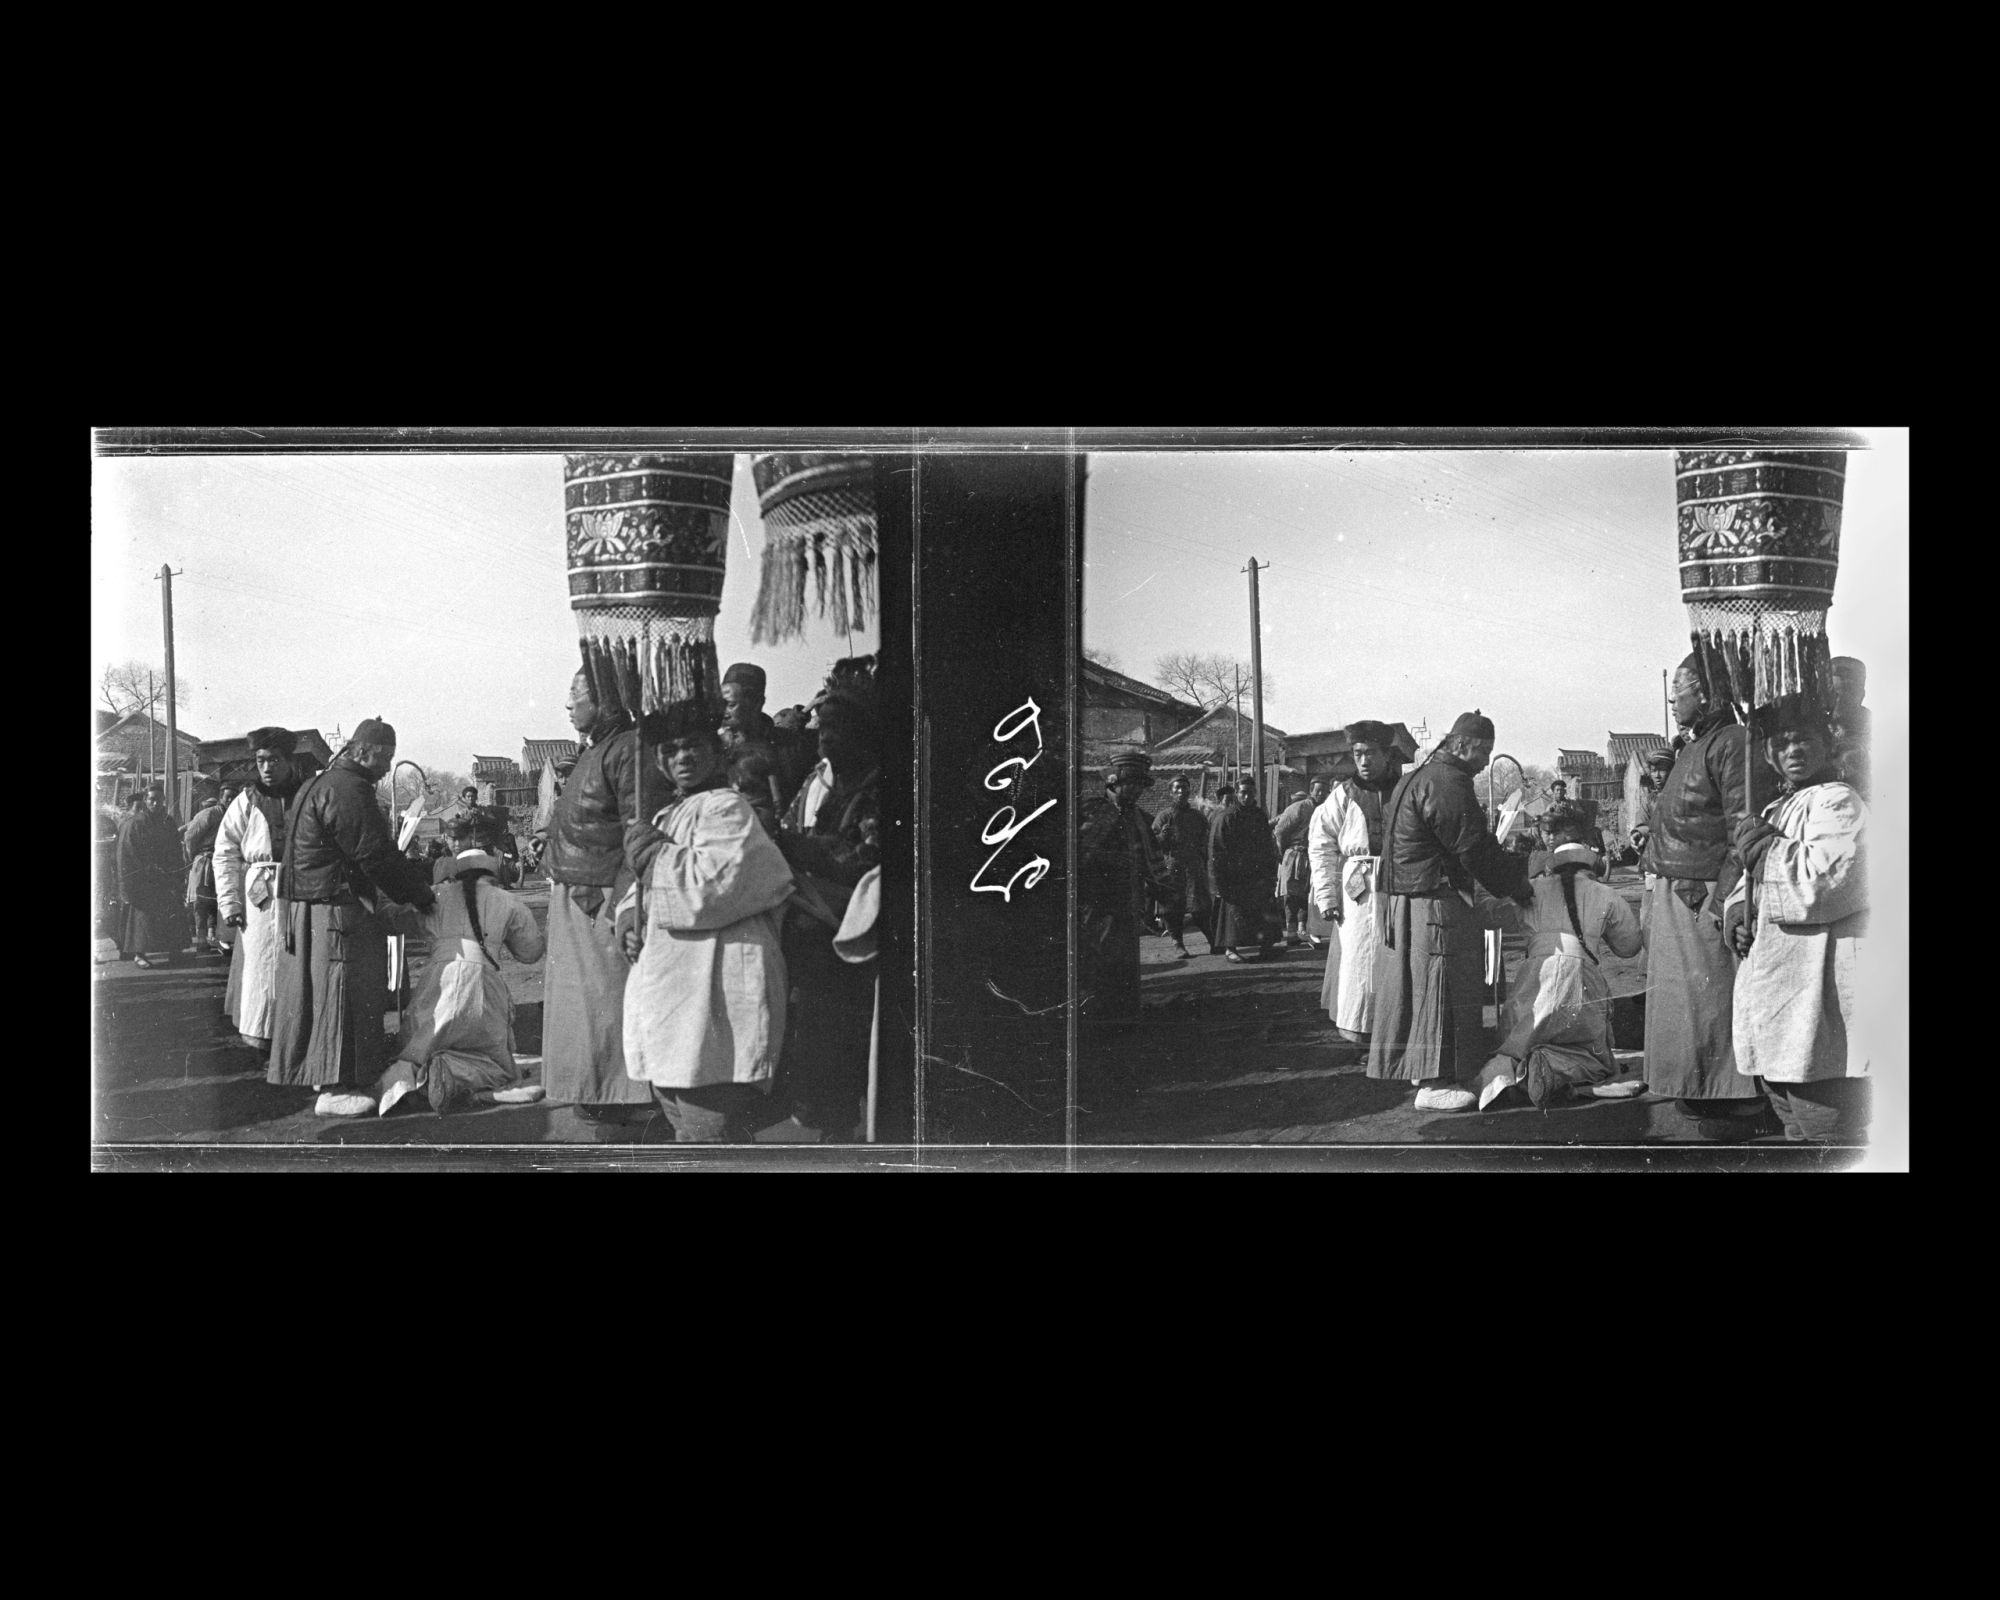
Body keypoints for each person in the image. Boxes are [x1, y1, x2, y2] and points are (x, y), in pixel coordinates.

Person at [616, 704, 796, 1141]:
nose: (683, 757)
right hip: (671, 990)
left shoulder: (727, 808)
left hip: (715, 986)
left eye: (693, 745)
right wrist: (628, 921)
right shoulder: (664, 817)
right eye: (671, 750)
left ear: (716, 751)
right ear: (659, 761)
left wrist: (655, 855)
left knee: (711, 1123)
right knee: (680, 1112)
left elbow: (713, 886)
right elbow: (640, 892)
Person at [267, 718, 439, 1117]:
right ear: (362, 752)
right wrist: (421, 896)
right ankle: (335, 1088)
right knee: (340, 994)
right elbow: (374, 855)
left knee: (321, 996)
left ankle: (328, 1077)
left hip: (308, 905)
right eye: (385, 758)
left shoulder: (320, 783)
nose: (387, 767)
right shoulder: (349, 789)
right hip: (333, 909)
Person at [1368, 710, 1534, 1112]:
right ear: (1460, 745)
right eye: (1483, 752)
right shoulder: (1448, 782)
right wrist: (1519, 888)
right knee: (1440, 988)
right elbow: (1475, 850)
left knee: (1420, 990)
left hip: (1405, 900)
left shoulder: (1416, 777)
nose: (1484, 762)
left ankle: (1424, 1071)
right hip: (1433, 902)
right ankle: (1434, 1083)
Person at [1723, 696, 1871, 1143]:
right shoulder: (1773, 810)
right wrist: (1738, 912)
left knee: (1825, 1120)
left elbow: (1826, 880)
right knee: (1790, 1114)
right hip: (1777, 980)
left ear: (1826, 745)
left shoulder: (1838, 801)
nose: (1794, 751)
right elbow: (1748, 884)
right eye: (1782, 743)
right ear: (1769, 755)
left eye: (1804, 740)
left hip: (1817, 980)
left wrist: (1767, 849)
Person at [1641, 654, 1762, 1138]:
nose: (1673, 702)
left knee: (1711, 1000)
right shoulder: (1695, 744)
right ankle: (1699, 1088)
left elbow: (1743, 828)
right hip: (1677, 889)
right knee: (1685, 1004)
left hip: (1704, 892)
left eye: (1679, 693)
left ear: (1708, 695)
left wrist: (1724, 898)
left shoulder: (1732, 742)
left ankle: (1734, 1097)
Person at [542, 668, 667, 1123]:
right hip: (577, 893)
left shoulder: (629, 749)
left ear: (608, 701)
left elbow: (642, 831)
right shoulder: (597, 749)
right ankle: (597, 1091)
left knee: (607, 1001)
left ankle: (623, 1097)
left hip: (600, 898)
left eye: (577, 694)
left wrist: (622, 903)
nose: (569, 704)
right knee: (583, 1007)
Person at [1469, 803, 1646, 1109]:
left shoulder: (1532, 889)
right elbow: (1629, 948)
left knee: (1514, 1046)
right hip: (1581, 983)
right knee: (1592, 1057)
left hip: (1535, 978)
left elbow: (1488, 913)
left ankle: (1510, 1074)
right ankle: (1552, 1066)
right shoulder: (1606, 894)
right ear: (1590, 862)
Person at [372, 808, 547, 1115]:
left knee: (414, 1052)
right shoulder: (508, 901)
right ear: (491, 872)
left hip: (438, 982)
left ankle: (416, 1077)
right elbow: (531, 953)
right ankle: (452, 1072)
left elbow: (392, 918)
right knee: (495, 1064)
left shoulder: (435, 896)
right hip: (484, 988)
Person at [773, 660, 882, 1139]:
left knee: (848, 1033)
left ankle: (844, 1125)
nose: (825, 736)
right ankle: (824, 1116)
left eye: (838, 728)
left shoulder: (878, 787)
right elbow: (788, 828)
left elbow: (867, 860)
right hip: (810, 927)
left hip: (856, 933)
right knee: (814, 1029)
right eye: (822, 727)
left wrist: (801, 848)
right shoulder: (815, 782)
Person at [1309, 721, 1404, 1043]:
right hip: (1358, 889)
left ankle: (1393, 1028)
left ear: (1386, 754)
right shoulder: (1342, 795)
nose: (1364, 761)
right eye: (1358, 754)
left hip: (1398, 882)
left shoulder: (1404, 791)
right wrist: (1326, 897)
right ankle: (1357, 1029)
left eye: (1371, 753)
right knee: (1359, 955)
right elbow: (1320, 844)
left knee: (1394, 953)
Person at [215, 728, 302, 1050]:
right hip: (260, 896)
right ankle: (258, 1033)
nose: (266, 767)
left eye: (274, 760)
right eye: (260, 760)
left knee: (295, 959)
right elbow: (225, 852)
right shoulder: (245, 802)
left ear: (289, 761)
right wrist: (230, 903)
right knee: (260, 962)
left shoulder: (306, 796)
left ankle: (294, 1033)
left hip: (300, 888)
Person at [1078, 751, 1168, 1027]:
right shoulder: (1094, 811)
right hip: (1098, 902)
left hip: (1127, 901)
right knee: (1100, 956)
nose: (1138, 790)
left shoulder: (1138, 816)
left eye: (1141, 785)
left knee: (1125, 957)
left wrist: (1163, 890)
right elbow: (1081, 857)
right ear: (1114, 783)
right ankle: (1098, 1017)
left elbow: (1151, 858)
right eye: (1132, 784)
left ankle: (1124, 1014)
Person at [719, 661, 818, 813]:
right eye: (721, 704)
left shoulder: (792, 746)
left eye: (731, 705)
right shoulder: (715, 749)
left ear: (758, 702)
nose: (724, 712)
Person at [117, 783, 187, 968]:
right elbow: (128, 852)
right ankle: (138, 954)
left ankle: (175, 951)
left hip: (166, 876)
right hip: (144, 878)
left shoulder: (168, 822)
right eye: (152, 799)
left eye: (159, 799)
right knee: (142, 918)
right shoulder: (135, 823)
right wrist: (146, 871)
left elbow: (175, 850)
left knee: (172, 913)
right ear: (145, 801)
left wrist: (178, 873)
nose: (156, 803)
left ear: (164, 800)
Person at [1209, 781, 1280, 962]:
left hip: (1257, 873)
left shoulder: (1259, 815)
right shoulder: (1226, 817)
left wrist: (1270, 872)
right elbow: (1217, 850)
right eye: (1243, 793)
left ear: (1255, 793)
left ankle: (1266, 946)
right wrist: (1219, 881)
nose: (1246, 797)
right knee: (1233, 912)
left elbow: (1267, 845)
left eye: (1250, 793)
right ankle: (1229, 949)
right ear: (1236, 794)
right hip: (1234, 875)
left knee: (1263, 910)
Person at [1151, 775, 1214, 959]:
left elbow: (1206, 841)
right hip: (1172, 867)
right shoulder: (1164, 817)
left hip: (1194, 867)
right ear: (1171, 792)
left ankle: (1213, 941)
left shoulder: (1198, 816)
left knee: (1201, 906)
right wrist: (1162, 836)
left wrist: (1203, 859)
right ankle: (1178, 944)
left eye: (1184, 787)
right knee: (1172, 908)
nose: (1181, 791)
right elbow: (1152, 844)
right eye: (1177, 788)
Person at [1271, 782, 1323, 946]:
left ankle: (1302, 930)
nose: (1321, 794)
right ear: (1311, 791)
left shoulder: (1324, 809)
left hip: (1313, 856)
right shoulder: (1299, 807)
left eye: (1325, 791)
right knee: (1291, 895)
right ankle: (1291, 933)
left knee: (1307, 895)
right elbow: (1280, 831)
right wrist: (1282, 852)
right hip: (1294, 855)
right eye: (1318, 791)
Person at [182, 784, 228, 955]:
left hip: (223, 862)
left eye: (233, 797)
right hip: (204, 861)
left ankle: (212, 935)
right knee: (200, 901)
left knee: (218, 900)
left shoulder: (233, 814)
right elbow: (190, 837)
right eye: (227, 797)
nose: (230, 800)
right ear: (221, 798)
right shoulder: (208, 814)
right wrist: (192, 857)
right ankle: (201, 939)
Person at [1829, 655, 1871, 800]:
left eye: (1850, 692)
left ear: (1862, 695)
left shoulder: (1872, 725)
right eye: (1836, 695)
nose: (1841, 700)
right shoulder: (1811, 723)